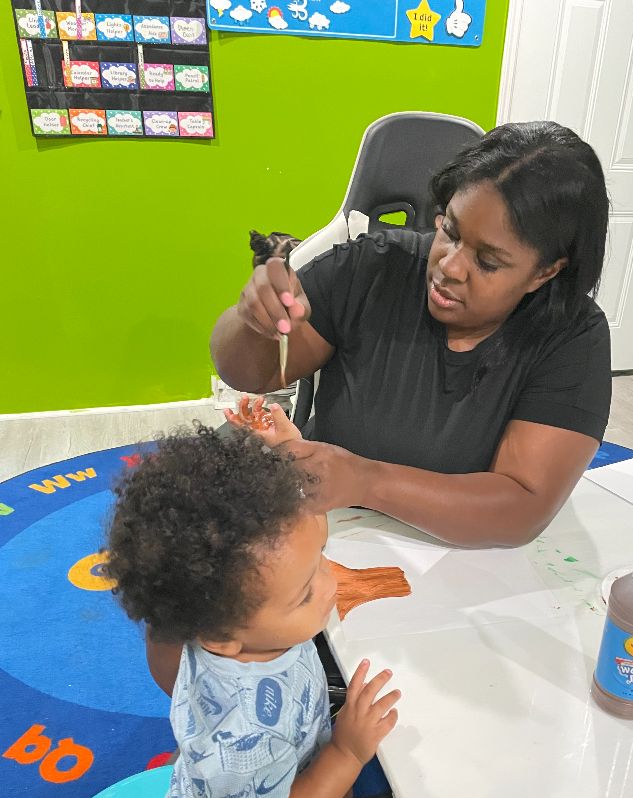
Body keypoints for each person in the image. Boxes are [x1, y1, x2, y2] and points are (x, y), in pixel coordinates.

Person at [105, 415, 400, 798]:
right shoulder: (241, 737)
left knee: (327, 792)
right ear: (222, 639)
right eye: (305, 591)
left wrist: (284, 459)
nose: (331, 584)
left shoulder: (224, 615)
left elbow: (302, 525)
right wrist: (345, 750)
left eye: (322, 558)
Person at [211, 120, 612, 548]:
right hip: (335, 537)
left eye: (489, 262)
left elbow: (521, 508)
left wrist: (367, 480)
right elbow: (251, 375)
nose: (450, 267)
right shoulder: (374, 269)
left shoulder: (571, 338)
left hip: (465, 564)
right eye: (450, 231)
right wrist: (253, 322)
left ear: (545, 272)